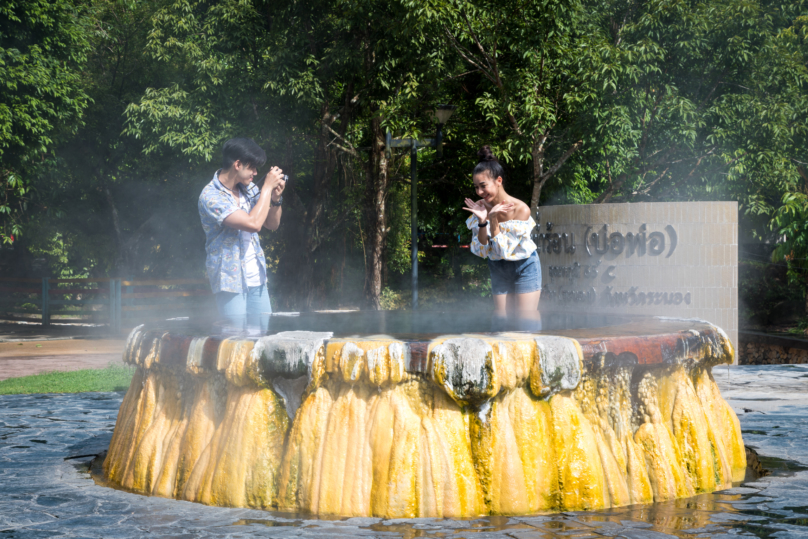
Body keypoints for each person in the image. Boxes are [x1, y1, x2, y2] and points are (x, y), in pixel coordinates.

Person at [198, 138, 286, 332]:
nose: (256, 173)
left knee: (263, 341)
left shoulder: (249, 190)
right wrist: (266, 189)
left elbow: (271, 224)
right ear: (237, 165)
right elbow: (253, 224)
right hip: (230, 281)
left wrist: (276, 199)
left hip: (257, 279)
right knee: (236, 342)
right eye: (252, 167)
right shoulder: (211, 196)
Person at [463, 146, 541, 327]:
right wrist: (483, 221)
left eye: (483, 186)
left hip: (525, 265)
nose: (479, 193)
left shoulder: (521, 209)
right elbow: (482, 248)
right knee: (501, 319)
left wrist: (494, 220)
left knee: (526, 318)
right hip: (498, 265)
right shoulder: (481, 207)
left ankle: (535, 352)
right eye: (476, 187)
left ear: (499, 181)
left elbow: (504, 249)